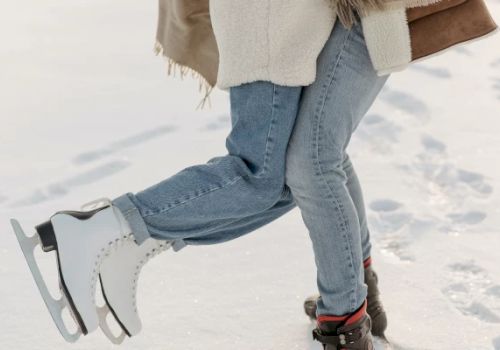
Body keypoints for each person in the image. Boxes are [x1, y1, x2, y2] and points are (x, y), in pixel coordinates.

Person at [11, 0, 496, 349]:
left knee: (299, 165)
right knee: (286, 167)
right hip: (279, 15)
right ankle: (114, 233)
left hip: (345, 12)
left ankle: (112, 231)